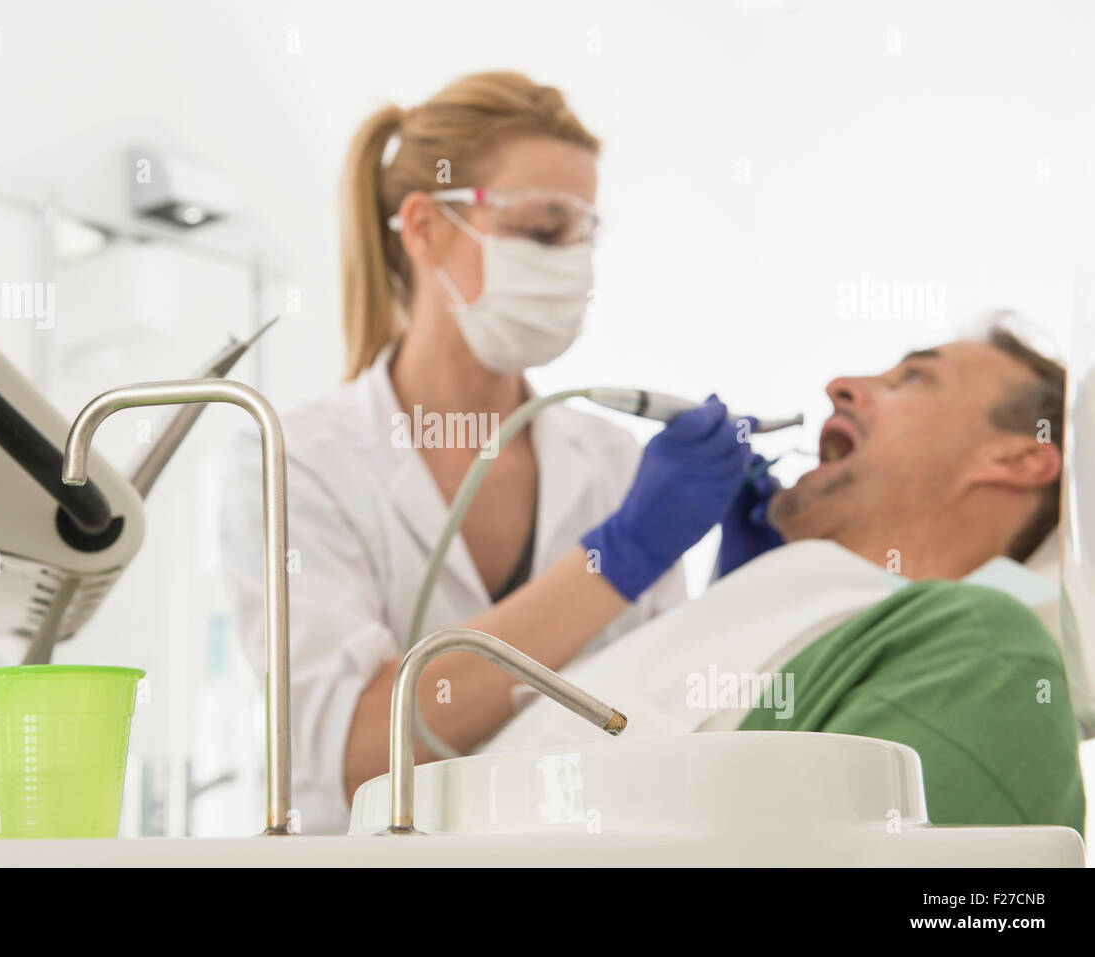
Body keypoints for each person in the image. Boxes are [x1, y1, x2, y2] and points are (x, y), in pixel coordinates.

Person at [221, 72, 753, 832]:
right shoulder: (294, 461)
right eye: (543, 230)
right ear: (425, 226)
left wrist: (744, 587)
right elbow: (362, 748)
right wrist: (621, 555)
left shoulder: (609, 463)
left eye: (584, 234)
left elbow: (664, 725)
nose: (574, 263)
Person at [486, 322, 1086, 833]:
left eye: (913, 379)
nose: (838, 386)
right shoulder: (777, 626)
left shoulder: (983, 656)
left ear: (1018, 458)